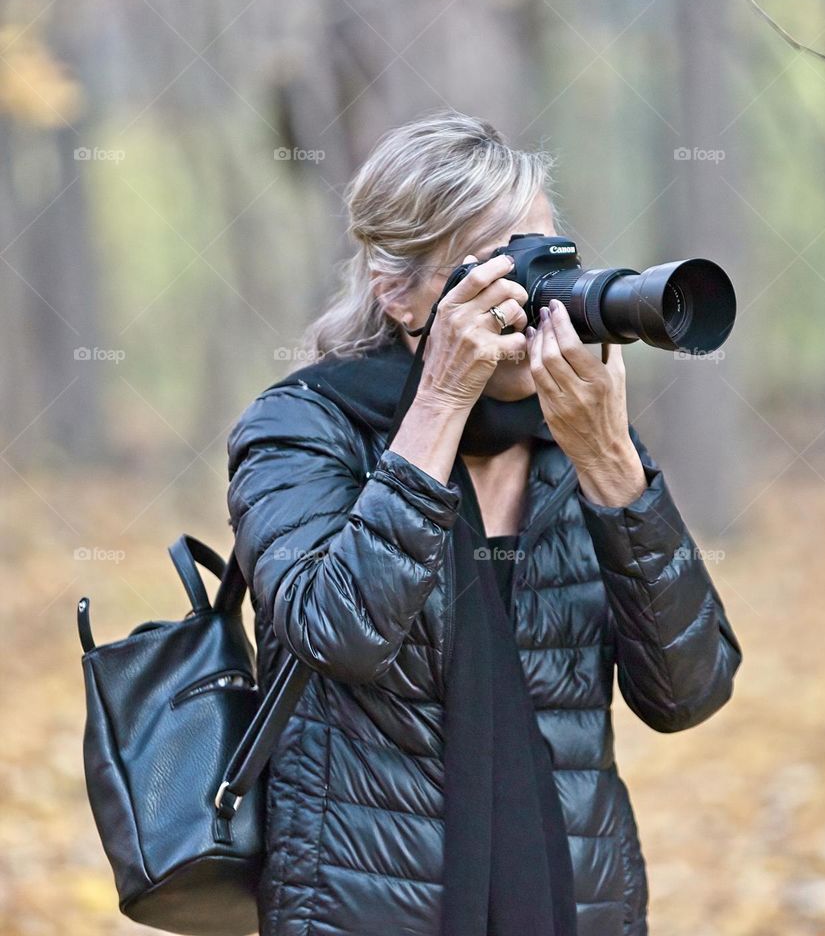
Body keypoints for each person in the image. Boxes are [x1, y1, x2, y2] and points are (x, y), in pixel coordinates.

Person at [227, 111, 742, 936]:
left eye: (546, 254)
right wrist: (440, 401)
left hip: (571, 904)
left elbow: (689, 692)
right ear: (400, 292)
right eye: (502, 265)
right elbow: (337, 633)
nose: (534, 291)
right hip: (363, 910)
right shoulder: (301, 430)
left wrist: (609, 459)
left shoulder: (577, 443)